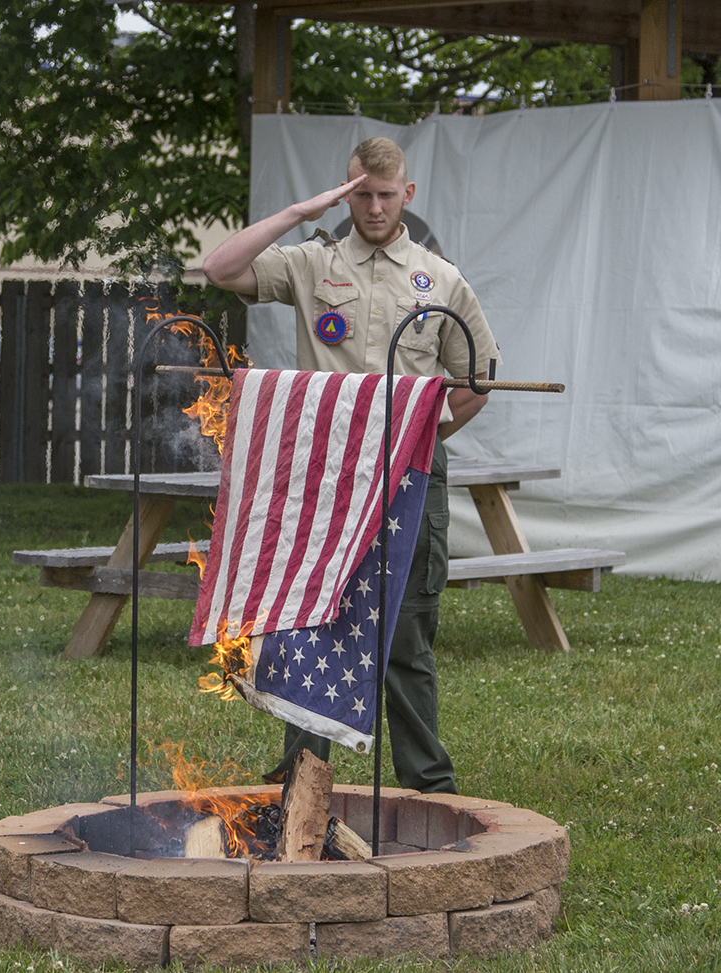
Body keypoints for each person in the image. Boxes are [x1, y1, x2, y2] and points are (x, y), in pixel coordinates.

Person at [203, 137, 500, 794]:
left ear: (407, 195)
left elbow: (478, 375)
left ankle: (429, 789)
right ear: (346, 193)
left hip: (408, 475)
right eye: (359, 194)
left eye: (385, 195)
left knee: (405, 632)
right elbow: (221, 268)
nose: (372, 207)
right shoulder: (314, 263)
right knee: (307, 620)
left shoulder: (438, 278)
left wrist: (430, 430)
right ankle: (300, 785)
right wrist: (299, 211)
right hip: (325, 477)